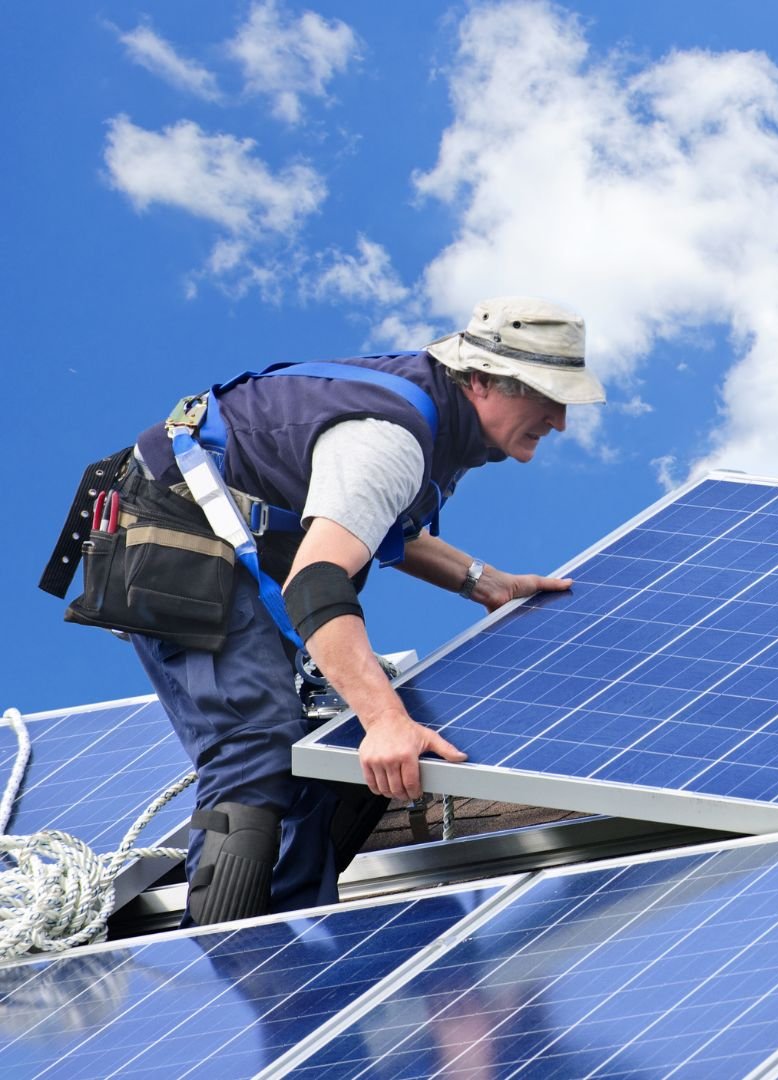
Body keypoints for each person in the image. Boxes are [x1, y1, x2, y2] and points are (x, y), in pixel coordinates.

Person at [46, 297, 604, 926]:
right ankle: (226, 955)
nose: (558, 419)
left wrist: (482, 582)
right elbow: (315, 579)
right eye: (544, 395)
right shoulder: (390, 437)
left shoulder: (438, 423)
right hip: (174, 535)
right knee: (256, 742)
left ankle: (288, 950)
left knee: (325, 746)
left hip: (230, 538)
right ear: (479, 380)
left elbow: (375, 520)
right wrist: (386, 719)